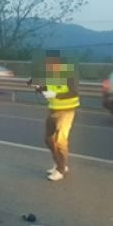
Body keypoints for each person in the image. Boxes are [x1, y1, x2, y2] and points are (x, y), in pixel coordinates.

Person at [28, 51, 80, 181]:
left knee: (60, 141)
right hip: (53, 110)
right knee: (48, 139)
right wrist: (37, 86)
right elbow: (48, 88)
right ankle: (59, 163)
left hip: (66, 111)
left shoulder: (68, 75)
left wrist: (55, 95)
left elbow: (73, 92)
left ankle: (61, 169)